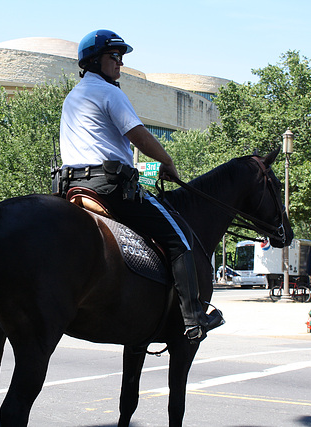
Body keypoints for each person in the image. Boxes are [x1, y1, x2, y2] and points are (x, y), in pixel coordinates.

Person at [59, 29, 223, 343]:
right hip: (109, 188)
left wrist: (149, 172)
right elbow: (141, 138)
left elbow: (107, 154)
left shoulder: (74, 96)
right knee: (180, 238)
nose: (120, 63)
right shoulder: (111, 93)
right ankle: (194, 317)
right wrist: (167, 163)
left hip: (73, 186)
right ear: (95, 60)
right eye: (115, 56)